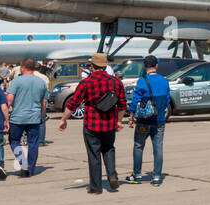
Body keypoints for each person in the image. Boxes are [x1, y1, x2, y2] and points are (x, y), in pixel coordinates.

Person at [58, 52, 126, 194]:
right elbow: (122, 104)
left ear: (92, 66)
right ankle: (112, 175)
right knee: (109, 149)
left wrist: (64, 119)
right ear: (105, 65)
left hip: (92, 124)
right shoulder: (116, 82)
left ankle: (96, 187)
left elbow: (73, 103)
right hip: (109, 124)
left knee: (94, 154)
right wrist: (119, 121)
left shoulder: (86, 82)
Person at [127, 54, 171, 185]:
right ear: (156, 66)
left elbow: (135, 100)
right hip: (159, 121)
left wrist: (131, 117)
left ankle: (137, 175)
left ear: (145, 66)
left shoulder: (142, 81)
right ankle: (157, 177)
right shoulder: (164, 81)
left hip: (144, 121)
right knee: (158, 148)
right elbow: (167, 99)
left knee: (138, 146)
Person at [6, 58, 47, 178]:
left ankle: (23, 163)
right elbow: (44, 102)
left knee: (14, 140)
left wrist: (4, 115)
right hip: (34, 117)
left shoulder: (16, 81)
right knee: (33, 143)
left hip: (17, 117)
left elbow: (9, 99)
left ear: (23, 68)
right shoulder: (41, 82)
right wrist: (41, 115)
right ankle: (31, 167)